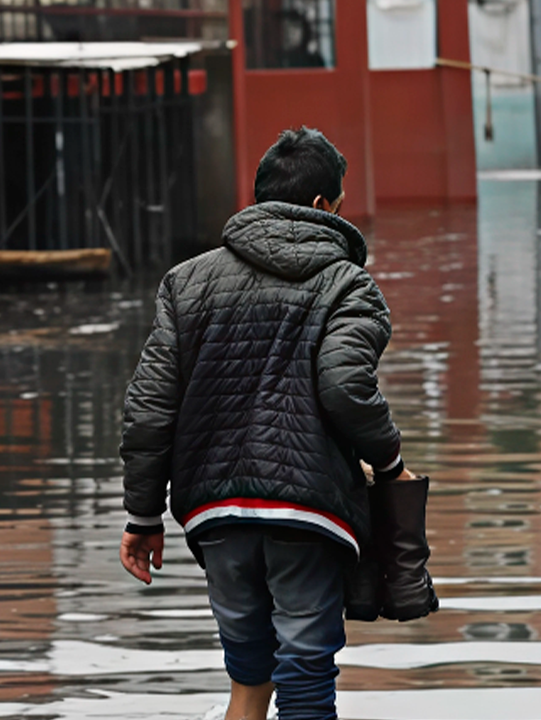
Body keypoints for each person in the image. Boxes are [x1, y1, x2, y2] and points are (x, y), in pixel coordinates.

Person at [119, 127, 436, 720]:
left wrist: (142, 514)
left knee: (248, 675)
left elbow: (149, 407)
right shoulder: (348, 284)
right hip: (306, 509)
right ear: (322, 207)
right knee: (306, 677)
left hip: (214, 514)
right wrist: (390, 462)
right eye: (340, 204)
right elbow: (345, 386)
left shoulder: (186, 282)